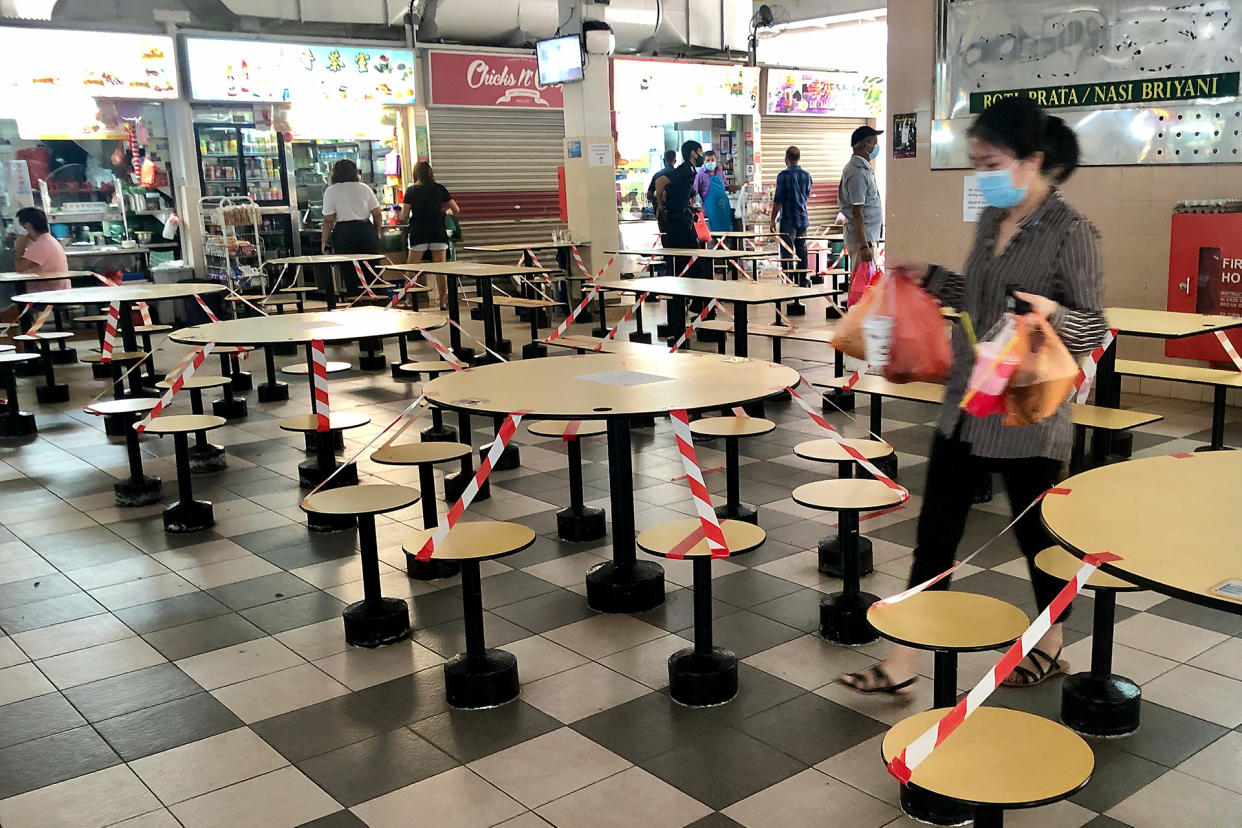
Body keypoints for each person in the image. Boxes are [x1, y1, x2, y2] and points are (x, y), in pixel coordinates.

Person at [839, 97, 1108, 694]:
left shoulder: (1073, 235)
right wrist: (932, 278)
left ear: (1031, 159)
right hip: (965, 403)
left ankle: (1054, 643)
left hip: (1026, 411)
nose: (981, 174)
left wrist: (1053, 311)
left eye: (990, 161)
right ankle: (902, 660)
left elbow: (1094, 326)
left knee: (1039, 541)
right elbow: (981, 297)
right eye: (976, 162)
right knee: (934, 535)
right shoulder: (992, 218)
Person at [400, 162, 461, 311]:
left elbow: (404, 215)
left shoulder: (411, 191)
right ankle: (442, 302)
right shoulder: (440, 189)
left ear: (416, 174)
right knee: (440, 269)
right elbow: (456, 209)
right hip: (437, 231)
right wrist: (443, 214)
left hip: (418, 232)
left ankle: (409, 300)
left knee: (412, 268)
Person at [660, 140, 709, 281]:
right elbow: (660, 182)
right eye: (700, 152)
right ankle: (695, 299)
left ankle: (691, 299)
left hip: (682, 218)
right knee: (693, 261)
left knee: (689, 261)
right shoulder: (684, 169)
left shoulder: (691, 171)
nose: (701, 155)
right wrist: (661, 206)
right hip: (677, 222)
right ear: (693, 153)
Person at [839, 125, 884, 267]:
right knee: (863, 285)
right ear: (866, 145)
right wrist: (864, 245)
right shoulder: (857, 172)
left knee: (866, 283)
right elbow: (857, 211)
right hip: (862, 241)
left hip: (868, 237)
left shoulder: (864, 168)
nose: (875, 147)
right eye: (874, 143)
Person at [320, 159, 381, 256]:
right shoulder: (364, 188)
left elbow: (328, 220)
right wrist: (377, 232)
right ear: (355, 172)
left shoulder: (331, 191)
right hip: (365, 231)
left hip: (344, 234)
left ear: (334, 173)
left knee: (348, 267)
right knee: (370, 267)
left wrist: (324, 242)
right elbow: (377, 214)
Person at [769, 146, 812, 278]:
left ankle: (789, 282)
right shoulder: (807, 176)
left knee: (787, 252)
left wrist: (772, 219)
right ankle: (803, 282)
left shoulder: (783, 176)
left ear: (786, 158)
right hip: (803, 220)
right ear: (799, 158)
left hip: (788, 220)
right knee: (802, 250)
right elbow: (807, 195)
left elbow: (778, 200)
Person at [13, 207, 70, 291]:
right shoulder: (48, 240)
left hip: (47, 297)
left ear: (28, 226)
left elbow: (19, 268)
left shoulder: (41, 245)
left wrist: (20, 248)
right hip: (56, 293)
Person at [695, 150, 733, 233]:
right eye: (708, 160)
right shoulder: (701, 175)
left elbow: (727, 187)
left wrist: (741, 187)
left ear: (716, 160)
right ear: (704, 162)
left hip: (724, 209)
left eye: (712, 160)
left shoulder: (720, 172)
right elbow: (695, 191)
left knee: (727, 235)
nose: (710, 162)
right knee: (713, 237)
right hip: (710, 211)